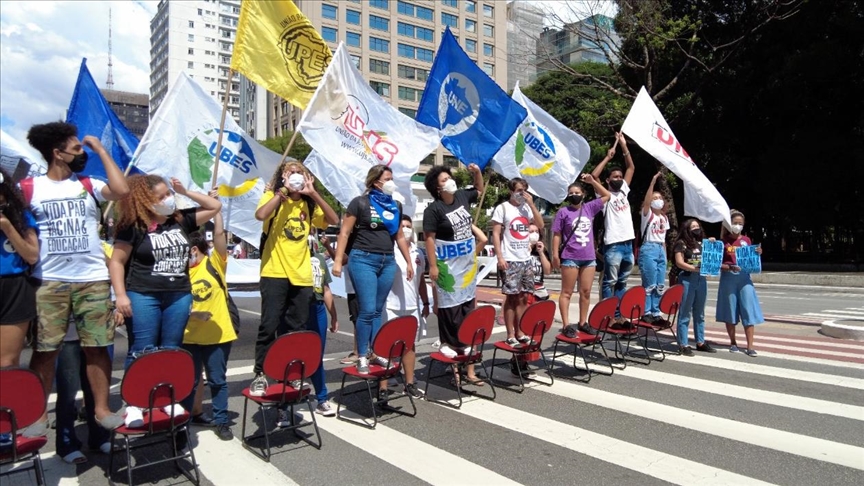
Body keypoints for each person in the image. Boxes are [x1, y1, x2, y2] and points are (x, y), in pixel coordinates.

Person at [25, 121, 130, 433]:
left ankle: (100, 407)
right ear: (58, 154)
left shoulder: (88, 184)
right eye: (76, 148)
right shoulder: (30, 189)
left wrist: (100, 149)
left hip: (93, 279)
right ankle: (38, 412)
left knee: (97, 346)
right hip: (49, 281)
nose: (81, 152)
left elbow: (122, 190)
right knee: (46, 349)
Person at [109, 175, 221, 425]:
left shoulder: (181, 219)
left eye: (168, 194)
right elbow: (117, 261)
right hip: (143, 294)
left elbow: (214, 207)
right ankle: (135, 402)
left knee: (171, 349)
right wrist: (120, 295)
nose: (167, 200)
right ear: (145, 201)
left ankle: (165, 399)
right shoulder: (134, 225)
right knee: (142, 350)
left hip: (178, 295)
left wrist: (185, 191)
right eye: (160, 197)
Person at [249, 161, 338, 396]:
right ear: (282, 176)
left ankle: (291, 374)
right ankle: (260, 374)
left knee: (295, 329)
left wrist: (314, 194)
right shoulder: (273, 195)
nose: (295, 175)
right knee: (269, 326)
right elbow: (261, 215)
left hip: (301, 276)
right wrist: (282, 192)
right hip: (274, 272)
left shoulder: (308, 203)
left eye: (299, 172)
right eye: (290, 172)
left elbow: (333, 219)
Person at [332, 165, 413, 381]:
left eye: (392, 178)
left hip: (387, 261)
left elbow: (399, 237)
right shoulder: (360, 203)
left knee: (378, 310)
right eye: (387, 178)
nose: (391, 182)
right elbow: (345, 232)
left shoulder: (395, 205)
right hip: (363, 259)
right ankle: (362, 355)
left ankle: (375, 352)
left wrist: (409, 262)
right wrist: (338, 261)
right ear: (376, 181)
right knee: (366, 310)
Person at [180, 192, 237, 441]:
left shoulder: (215, 263)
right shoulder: (180, 272)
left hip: (218, 334)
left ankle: (222, 420)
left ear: (193, 248)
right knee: (188, 382)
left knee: (217, 380)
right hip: (189, 337)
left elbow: (220, 236)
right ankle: (182, 421)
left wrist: (217, 211)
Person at [422, 164, 484, 387]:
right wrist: (433, 266)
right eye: (443, 180)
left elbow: (479, 189)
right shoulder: (434, 210)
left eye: (449, 177)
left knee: (468, 307)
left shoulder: (461, 197)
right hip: (447, 266)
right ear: (437, 188)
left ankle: (468, 357)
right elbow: (429, 238)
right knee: (450, 309)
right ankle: (451, 354)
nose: (449, 181)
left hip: (466, 264)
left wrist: (476, 172)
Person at [552, 175, 611, 335]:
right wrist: (555, 255)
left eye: (577, 192)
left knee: (585, 292)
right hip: (570, 256)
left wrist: (592, 182)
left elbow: (607, 195)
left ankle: (583, 322)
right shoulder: (563, 212)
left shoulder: (589, 208)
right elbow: (557, 234)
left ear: (583, 194)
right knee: (567, 292)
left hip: (588, 257)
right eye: (571, 193)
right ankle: (566, 325)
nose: (574, 195)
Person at [491, 178, 545, 346]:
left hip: (525, 258)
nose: (522, 194)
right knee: (512, 298)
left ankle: (520, 331)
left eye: (524, 190)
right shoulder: (503, 208)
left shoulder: (526, 209)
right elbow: (496, 234)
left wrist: (532, 204)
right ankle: (510, 334)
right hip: (510, 258)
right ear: (511, 191)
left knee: (524, 298)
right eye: (519, 190)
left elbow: (541, 225)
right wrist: (500, 257)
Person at [384, 215, 430, 398]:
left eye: (409, 226)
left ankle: (409, 382)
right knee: (387, 346)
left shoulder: (418, 253)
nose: (406, 229)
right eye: (402, 226)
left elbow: (420, 282)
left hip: (412, 306)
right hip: (391, 304)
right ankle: (384, 384)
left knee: (409, 345)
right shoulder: (389, 249)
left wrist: (425, 302)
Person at [591, 133, 636, 321]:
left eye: (620, 176)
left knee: (622, 282)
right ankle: (606, 314)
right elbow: (594, 176)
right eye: (614, 177)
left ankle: (618, 316)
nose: (619, 178)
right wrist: (608, 157)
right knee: (609, 281)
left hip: (628, 244)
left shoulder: (624, 192)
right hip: (614, 244)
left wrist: (624, 146)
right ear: (608, 180)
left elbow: (631, 167)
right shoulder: (604, 195)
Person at [0, 168, 39, 368]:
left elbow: (32, 255)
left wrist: (7, 227)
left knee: (6, 361)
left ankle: (6, 398)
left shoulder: (19, 216)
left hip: (13, 288)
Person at [717, 210, 764, 357]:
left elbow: (751, 259)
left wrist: (757, 253)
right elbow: (716, 263)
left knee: (748, 309)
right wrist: (729, 266)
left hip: (744, 278)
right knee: (730, 310)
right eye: (735, 223)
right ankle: (733, 342)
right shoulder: (722, 242)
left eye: (740, 224)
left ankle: (750, 346)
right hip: (728, 277)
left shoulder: (747, 241)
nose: (737, 226)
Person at [305, 235, 339, 416]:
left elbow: (325, 289)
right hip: (298, 309)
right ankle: (286, 402)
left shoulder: (319, 259)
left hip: (317, 308)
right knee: (293, 354)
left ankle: (321, 398)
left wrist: (333, 315)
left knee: (317, 356)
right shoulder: (289, 256)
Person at [672, 219, 716, 355]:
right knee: (685, 312)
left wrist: (712, 243)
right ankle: (683, 344)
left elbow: (712, 257)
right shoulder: (681, 244)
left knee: (700, 312)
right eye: (693, 226)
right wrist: (694, 268)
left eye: (698, 226)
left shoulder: (702, 243)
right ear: (686, 229)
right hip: (687, 279)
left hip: (701, 280)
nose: (696, 228)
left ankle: (700, 342)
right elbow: (679, 262)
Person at [638, 172, 670, 323]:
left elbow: (664, 238)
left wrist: (665, 254)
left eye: (660, 198)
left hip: (660, 249)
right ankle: (646, 312)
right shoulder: (647, 214)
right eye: (654, 198)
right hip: (649, 248)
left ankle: (656, 313)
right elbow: (646, 202)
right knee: (649, 283)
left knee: (659, 284)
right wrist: (653, 182)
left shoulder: (664, 217)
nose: (658, 201)